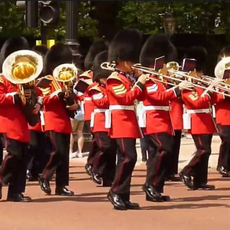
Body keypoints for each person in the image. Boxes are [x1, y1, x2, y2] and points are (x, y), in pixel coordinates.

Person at [139, 34, 188, 202]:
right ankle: (150, 185)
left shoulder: (160, 80)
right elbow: (159, 97)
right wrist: (177, 89)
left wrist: (178, 86)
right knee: (164, 149)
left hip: (163, 121)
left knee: (157, 154)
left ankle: (155, 188)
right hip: (154, 120)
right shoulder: (148, 81)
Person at [106, 28, 147, 210]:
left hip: (129, 120)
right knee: (128, 157)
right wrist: (139, 83)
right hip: (120, 121)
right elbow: (126, 98)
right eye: (131, 59)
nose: (134, 63)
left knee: (129, 158)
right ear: (122, 59)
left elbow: (140, 97)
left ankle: (123, 195)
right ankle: (115, 191)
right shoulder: (114, 79)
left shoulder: (127, 77)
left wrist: (140, 81)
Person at [0, 37, 42, 202]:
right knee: (14, 154)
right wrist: (14, 97)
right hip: (7, 122)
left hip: (22, 124)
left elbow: (39, 93)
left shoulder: (25, 79)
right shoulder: (2, 79)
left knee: (23, 157)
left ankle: (15, 192)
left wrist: (38, 103)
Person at [39, 43, 78, 196]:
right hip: (52, 120)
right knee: (58, 152)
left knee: (64, 156)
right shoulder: (46, 81)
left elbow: (74, 101)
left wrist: (73, 103)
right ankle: (45, 176)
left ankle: (61, 186)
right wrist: (58, 93)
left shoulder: (65, 80)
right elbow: (44, 99)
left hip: (64, 122)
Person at [179, 46, 216, 190]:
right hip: (197, 121)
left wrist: (215, 90)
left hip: (206, 119)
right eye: (199, 71)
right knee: (203, 150)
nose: (201, 74)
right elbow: (197, 102)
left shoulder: (200, 84)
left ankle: (200, 181)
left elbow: (212, 100)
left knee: (206, 152)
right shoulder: (188, 86)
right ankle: (186, 171)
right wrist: (209, 91)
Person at [88, 50, 117, 187]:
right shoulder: (95, 88)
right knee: (104, 147)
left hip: (112, 121)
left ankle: (109, 177)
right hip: (100, 122)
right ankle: (95, 169)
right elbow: (101, 102)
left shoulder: (112, 87)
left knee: (112, 150)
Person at [81, 41, 109, 176]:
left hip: (105, 113)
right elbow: (79, 93)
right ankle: (92, 163)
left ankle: (95, 164)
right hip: (92, 111)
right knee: (98, 141)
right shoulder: (86, 77)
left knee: (99, 142)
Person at [27, 45, 51, 181]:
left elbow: (43, 94)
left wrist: (40, 102)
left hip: (43, 116)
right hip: (31, 116)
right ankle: (29, 169)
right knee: (33, 144)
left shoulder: (45, 78)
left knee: (44, 145)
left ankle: (37, 170)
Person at [213, 46, 230, 177]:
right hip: (223, 116)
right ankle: (222, 165)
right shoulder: (217, 82)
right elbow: (214, 98)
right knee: (227, 140)